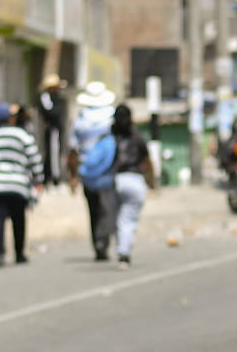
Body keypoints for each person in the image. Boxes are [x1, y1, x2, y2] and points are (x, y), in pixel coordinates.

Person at [0, 103, 43, 266]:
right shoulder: (22, 135)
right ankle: (19, 253)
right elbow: (34, 159)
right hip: (18, 183)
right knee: (18, 219)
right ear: (11, 119)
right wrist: (38, 179)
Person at [68, 81, 119, 261]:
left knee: (93, 210)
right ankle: (103, 240)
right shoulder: (111, 118)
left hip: (87, 171)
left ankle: (97, 242)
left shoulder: (81, 121)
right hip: (107, 170)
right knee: (108, 208)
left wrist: (72, 176)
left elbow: (73, 150)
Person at [106, 105, 155, 267]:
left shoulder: (109, 137)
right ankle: (124, 253)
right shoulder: (138, 137)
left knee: (118, 218)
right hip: (134, 181)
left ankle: (121, 248)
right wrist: (152, 182)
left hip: (114, 181)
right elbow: (147, 162)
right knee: (128, 219)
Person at [36, 74, 67, 185]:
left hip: (56, 128)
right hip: (52, 129)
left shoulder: (56, 96)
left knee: (56, 151)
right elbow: (50, 111)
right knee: (52, 152)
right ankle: (54, 177)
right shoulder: (45, 97)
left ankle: (53, 176)